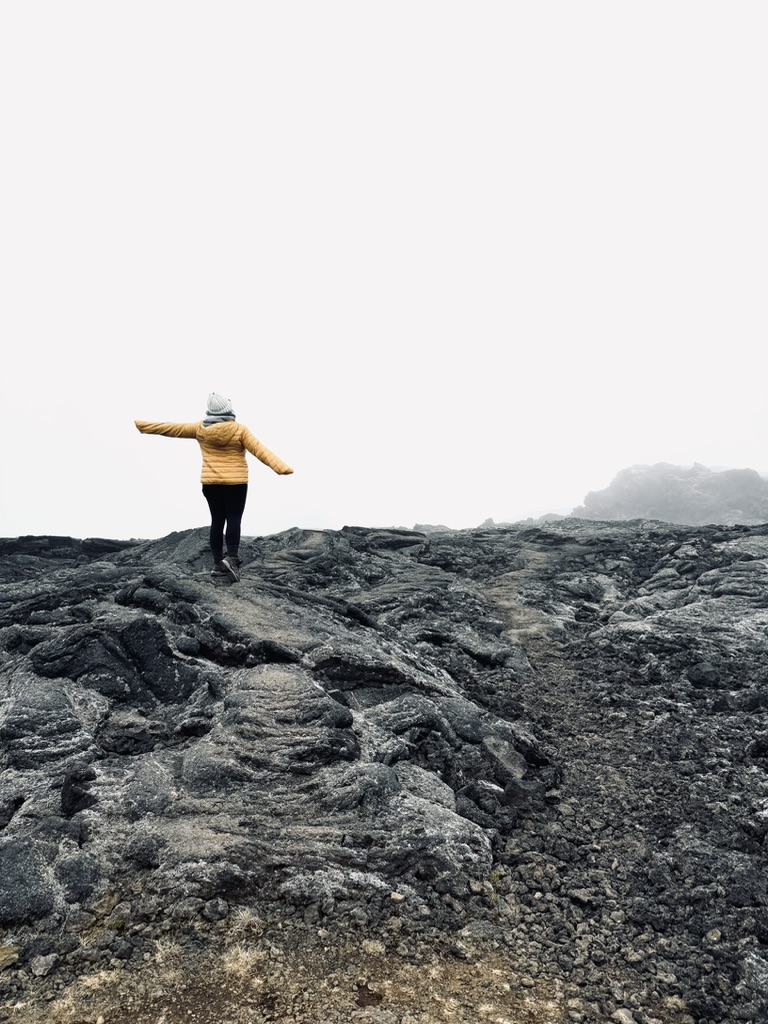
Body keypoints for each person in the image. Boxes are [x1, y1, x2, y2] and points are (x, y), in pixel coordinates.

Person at [135, 393, 293, 582]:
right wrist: (281, 467)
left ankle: (218, 564)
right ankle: (232, 559)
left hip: (210, 484)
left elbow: (170, 429)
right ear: (229, 410)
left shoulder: (199, 428)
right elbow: (260, 450)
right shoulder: (239, 430)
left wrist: (143, 426)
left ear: (210, 411)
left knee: (217, 520)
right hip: (236, 483)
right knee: (234, 518)